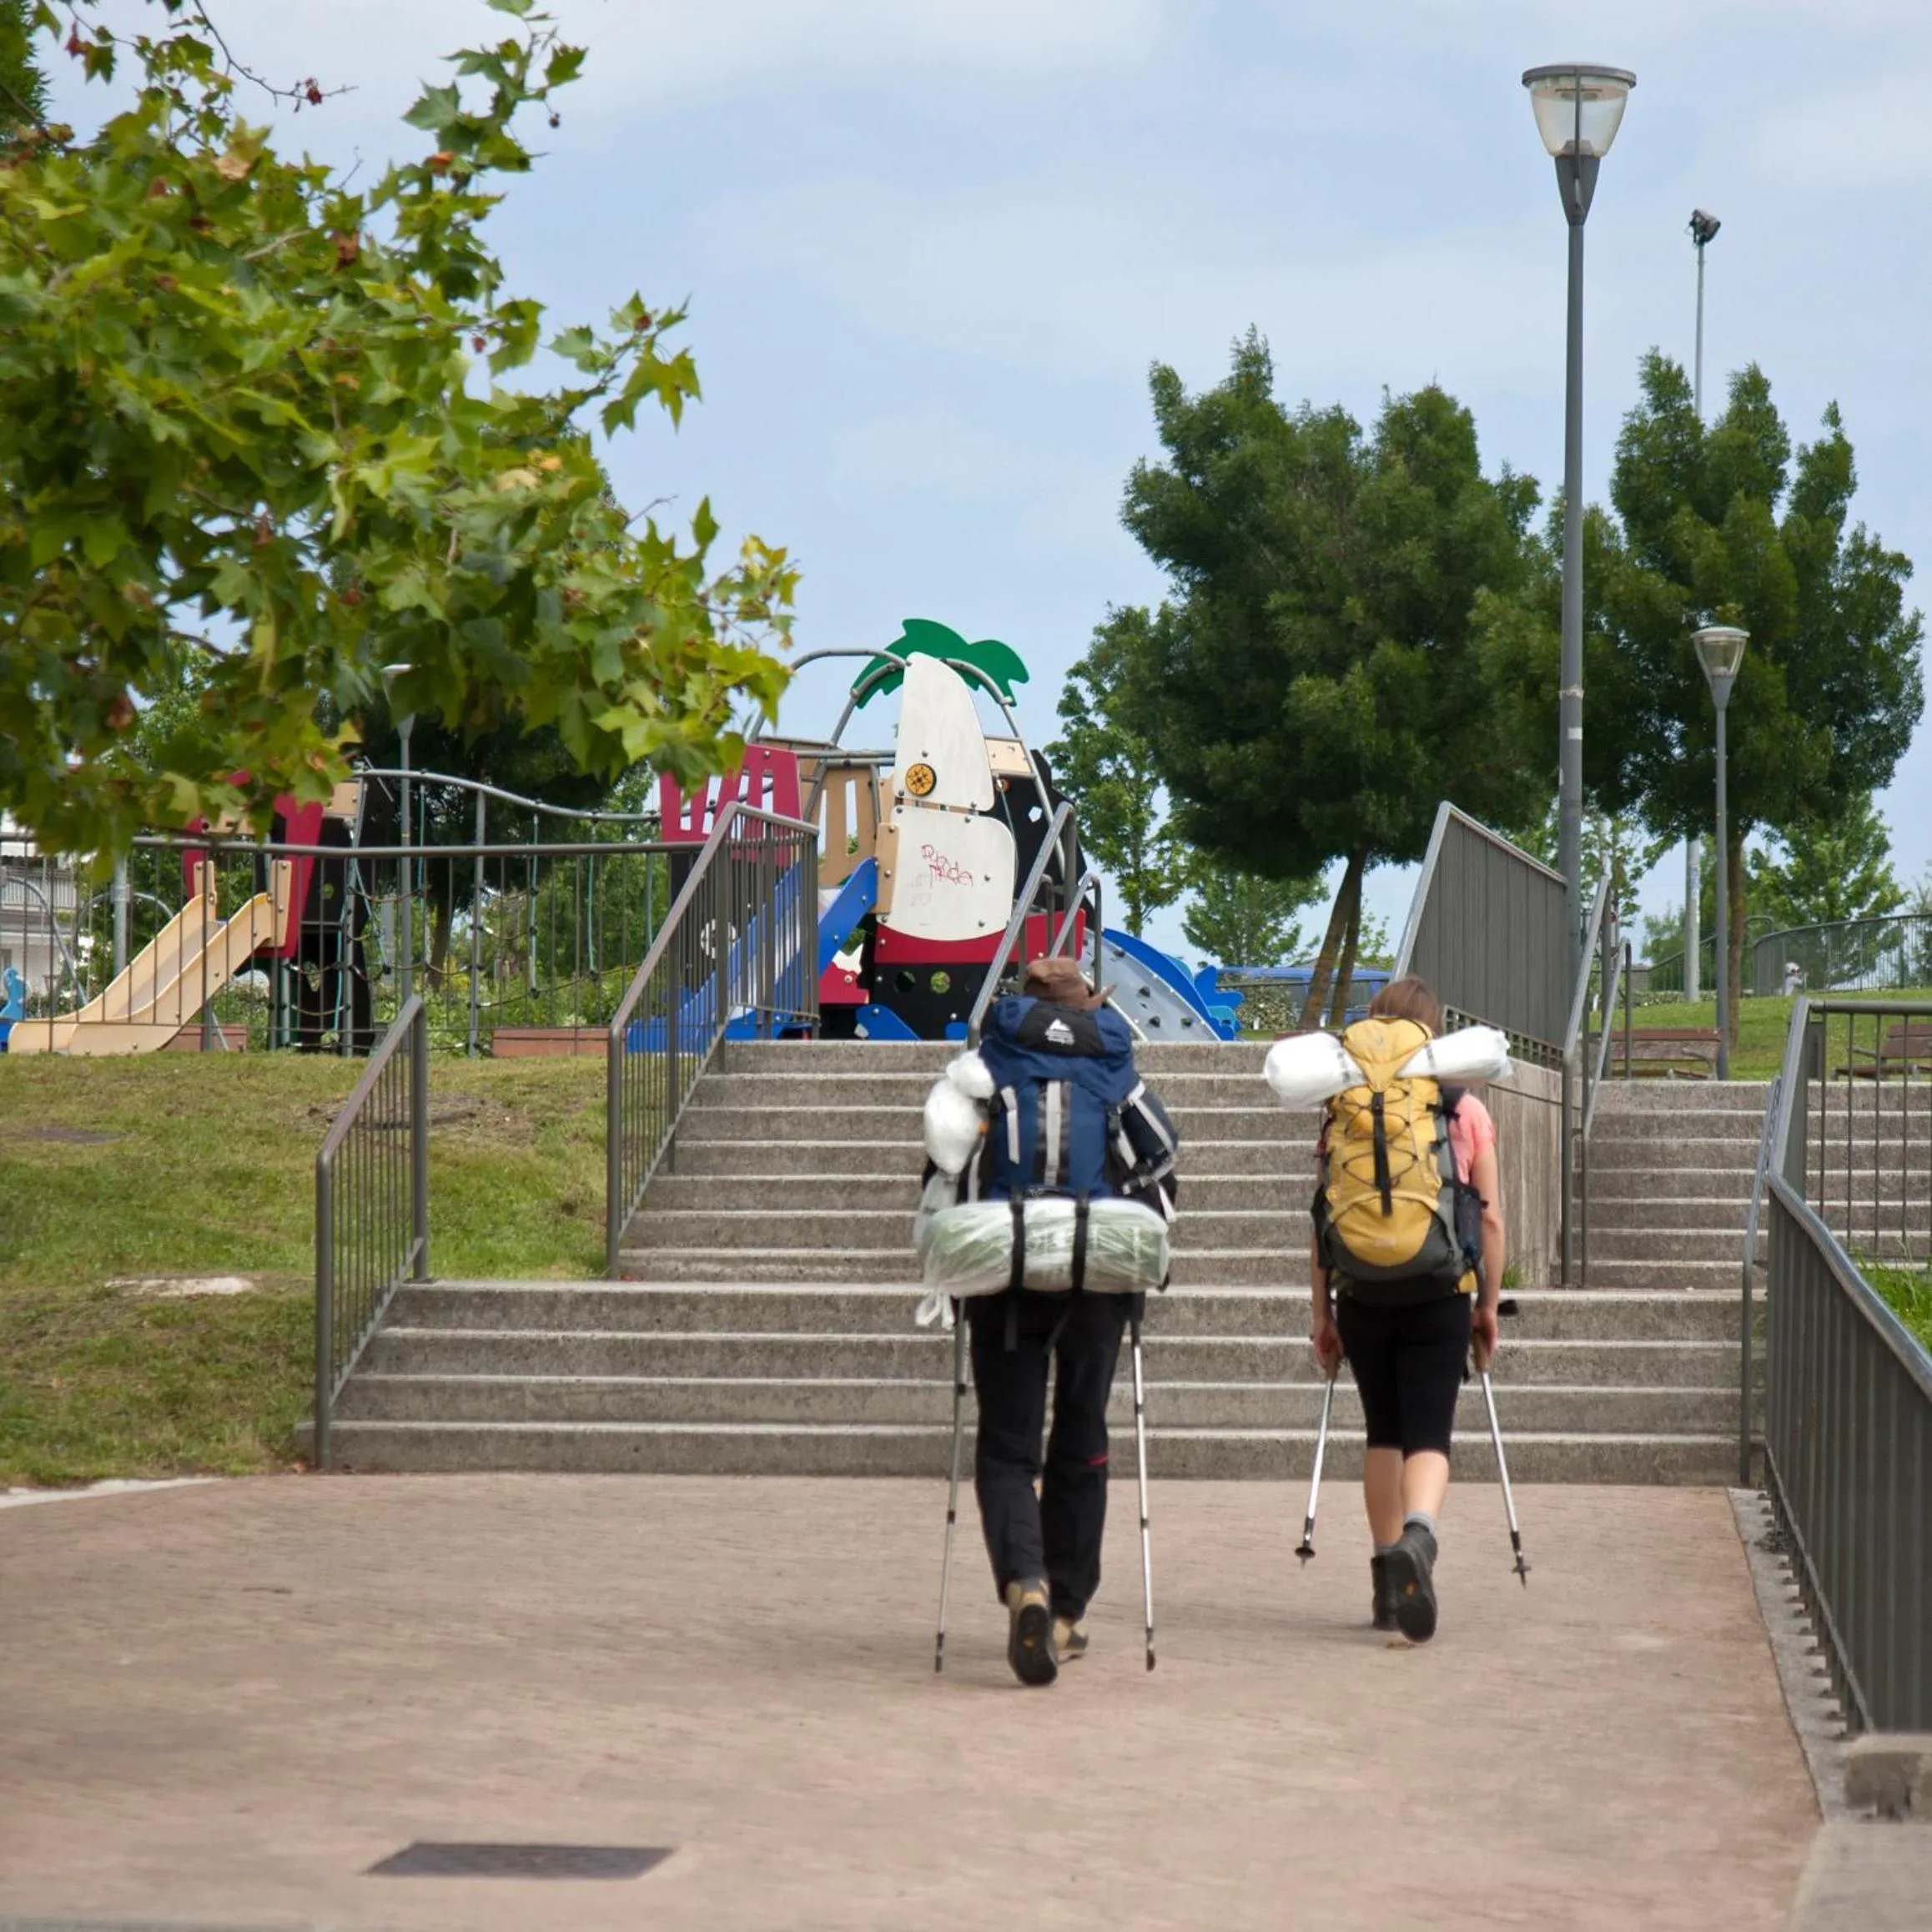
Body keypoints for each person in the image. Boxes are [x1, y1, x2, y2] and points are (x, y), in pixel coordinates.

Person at [965, 953, 1174, 1686]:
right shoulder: (1113, 1065)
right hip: (1097, 1275)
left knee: (1007, 1446)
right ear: (1086, 1005)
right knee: (1082, 1435)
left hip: (1005, 1269)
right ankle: (1065, 1612)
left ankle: (1025, 1581)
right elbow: (1161, 1156)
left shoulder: (989, 1064)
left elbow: (944, 1165)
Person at [1308, 975, 1505, 1643]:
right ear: (1431, 1033)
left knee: (1383, 1431)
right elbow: (1491, 1218)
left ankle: (1386, 1584)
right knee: (1429, 1433)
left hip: (1361, 1292)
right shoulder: (1462, 1108)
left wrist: (1322, 1314)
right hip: (1440, 1289)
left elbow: (1321, 1218)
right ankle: (1419, 1538)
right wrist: (1487, 1305)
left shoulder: (1343, 1106)